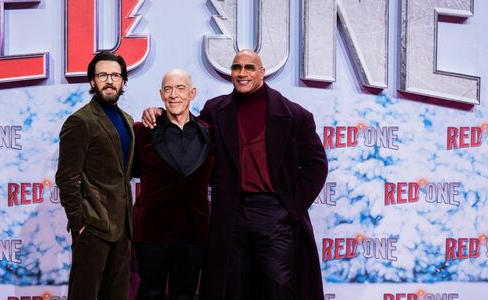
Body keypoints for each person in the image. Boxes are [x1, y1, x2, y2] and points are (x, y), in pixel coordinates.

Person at [143, 50, 328, 299]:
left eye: (249, 68)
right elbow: (187, 130)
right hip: (230, 213)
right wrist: (158, 112)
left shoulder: (295, 115)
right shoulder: (216, 110)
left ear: (262, 73)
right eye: (236, 67)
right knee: (231, 286)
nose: (242, 73)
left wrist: (290, 208)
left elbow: (316, 165)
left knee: (278, 285)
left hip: (273, 213)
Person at [56, 51, 135, 300]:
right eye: (102, 75)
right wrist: (80, 223)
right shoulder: (80, 121)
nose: (109, 80)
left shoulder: (128, 120)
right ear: (92, 81)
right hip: (93, 227)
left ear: (123, 81)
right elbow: (66, 178)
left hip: (123, 228)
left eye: (115, 75)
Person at [132, 69, 214, 300]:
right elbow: (128, 172)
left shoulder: (208, 133)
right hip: (152, 231)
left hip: (194, 230)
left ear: (192, 93)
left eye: (180, 88)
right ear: (161, 94)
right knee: (150, 292)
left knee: (185, 295)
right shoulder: (143, 131)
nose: (174, 95)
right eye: (168, 89)